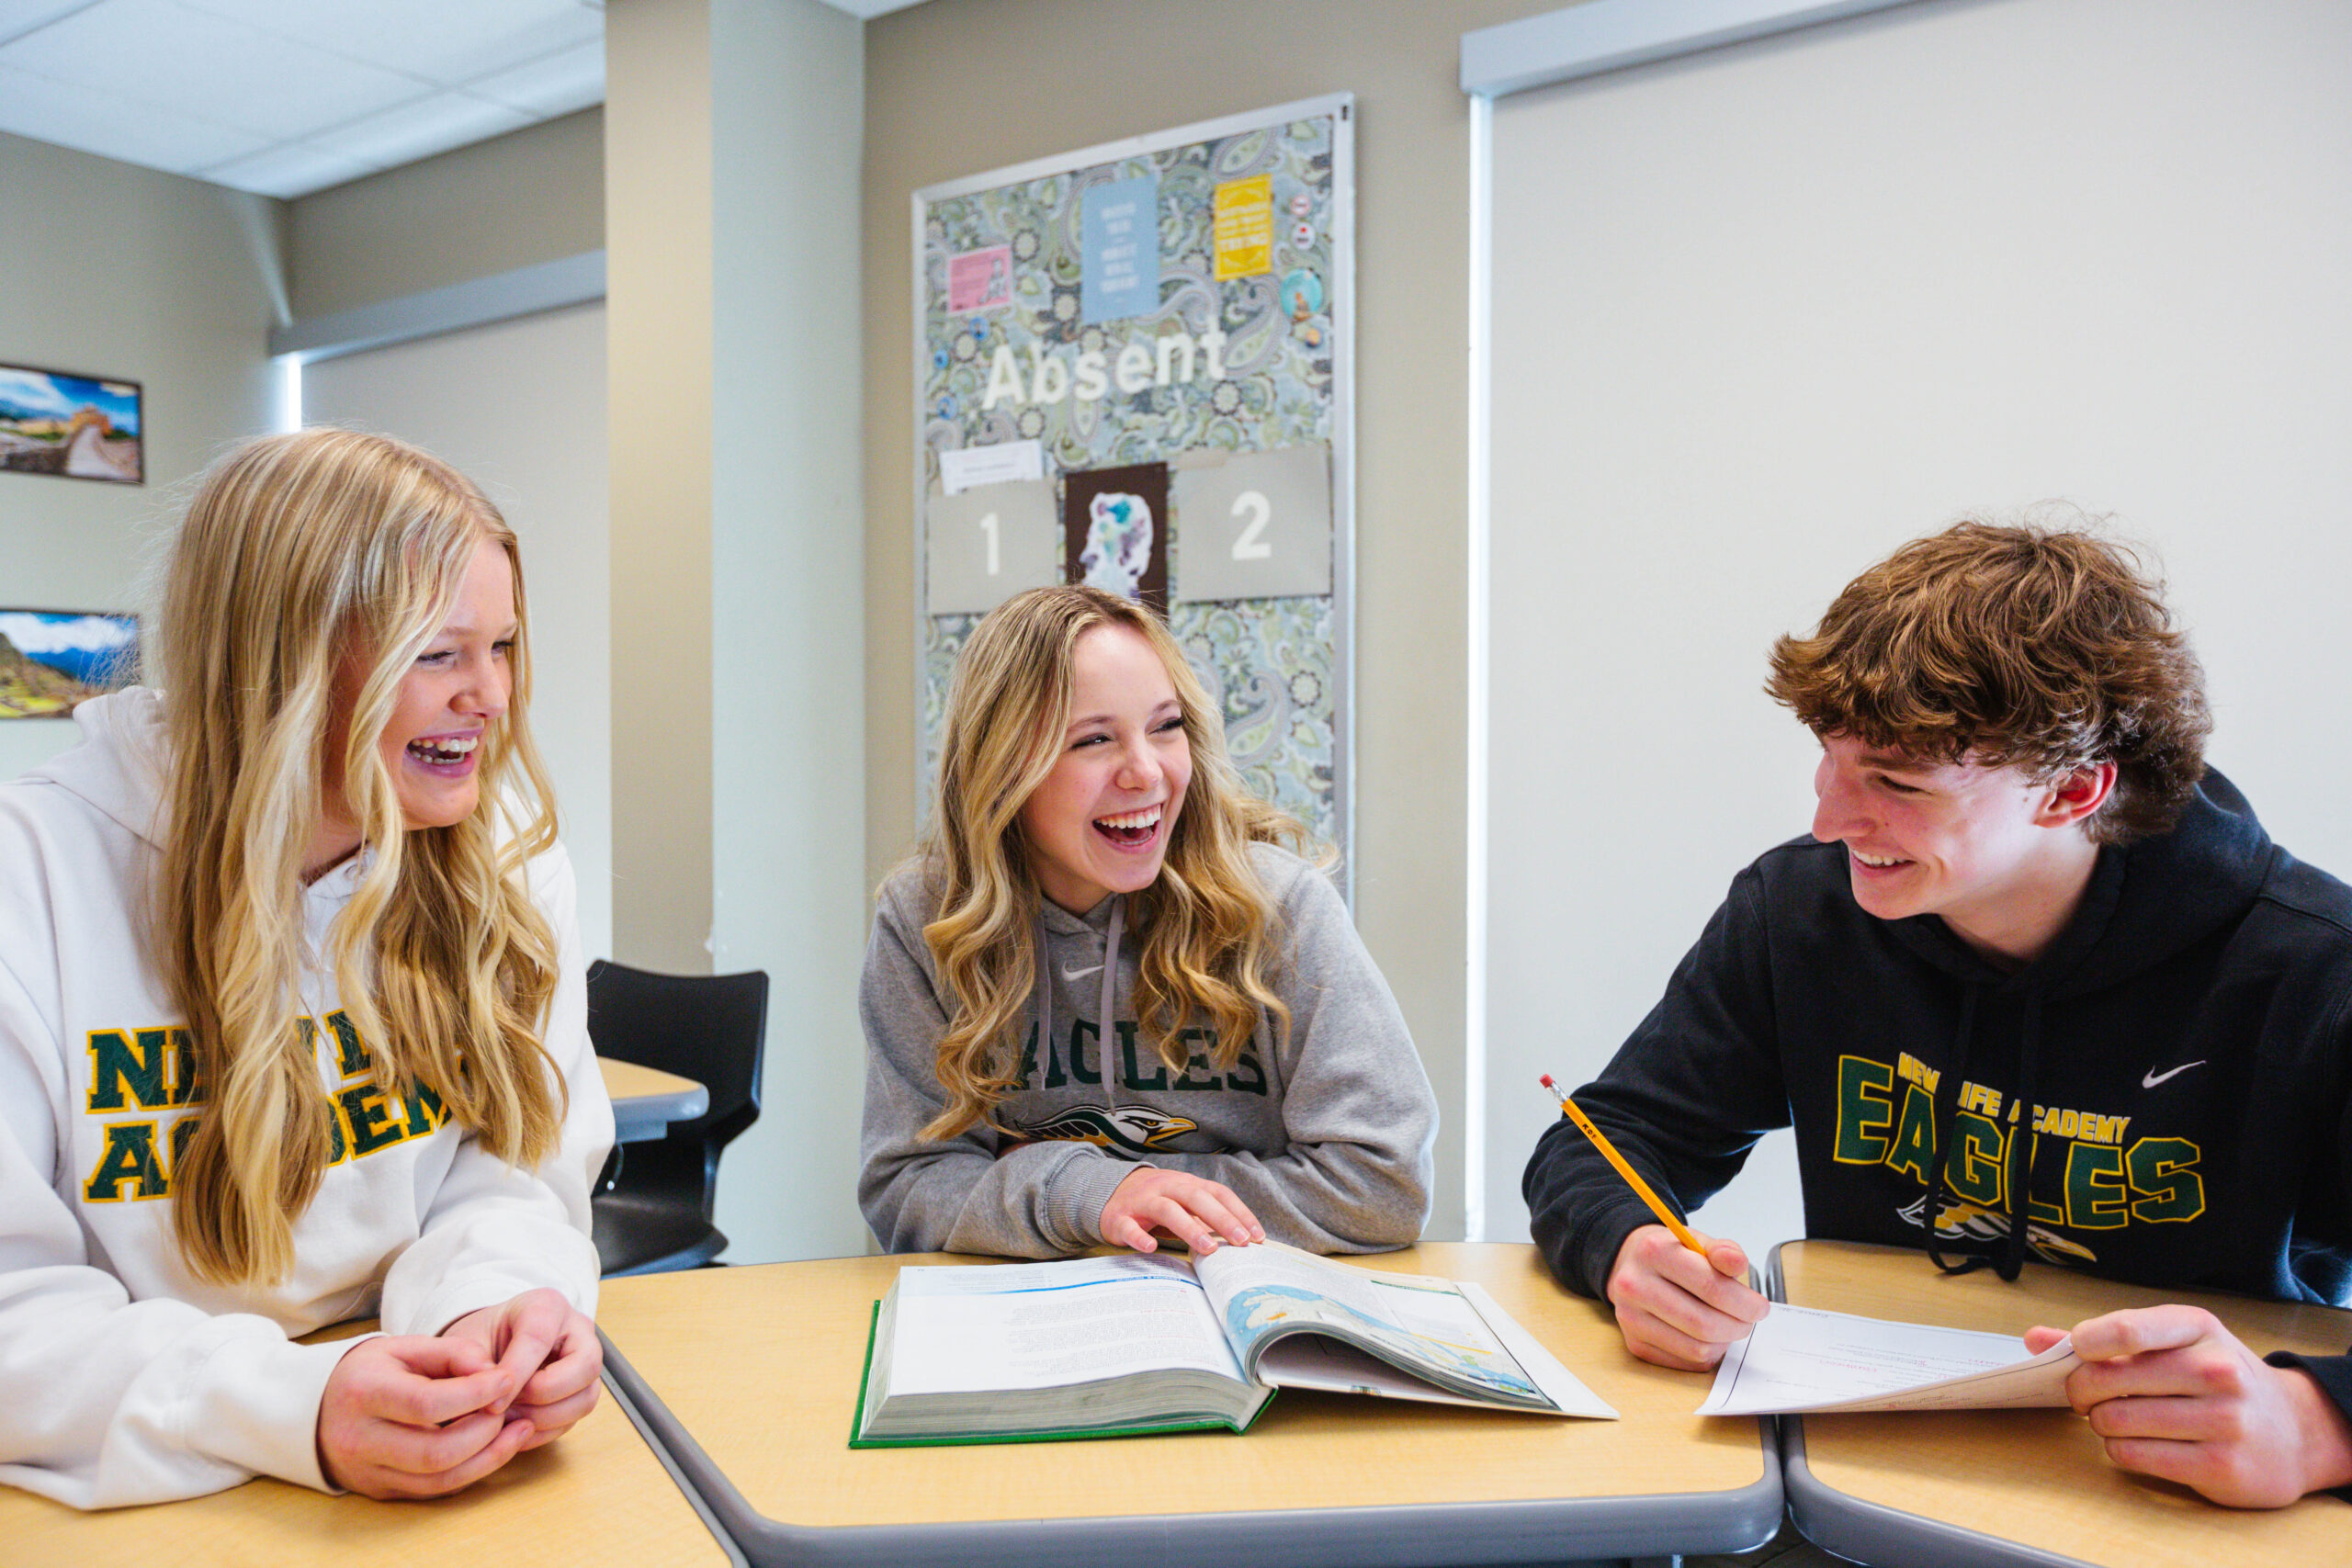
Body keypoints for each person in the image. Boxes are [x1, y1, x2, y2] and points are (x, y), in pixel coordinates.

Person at [1523, 517, 2352, 1508]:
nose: (1830, 820)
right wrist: (1628, 1248)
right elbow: (1607, 1139)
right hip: (1867, 1478)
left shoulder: (2313, 972)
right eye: (1830, 761)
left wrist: (2318, 1425)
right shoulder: (1801, 912)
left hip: (2166, 1494)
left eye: (1897, 784)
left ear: (2073, 789)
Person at [0, 429, 613, 1510]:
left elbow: (509, 1172)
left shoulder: (507, 854)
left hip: (416, 1453)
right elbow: (15, 1315)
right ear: (277, 666)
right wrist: (290, 1406)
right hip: (147, 1479)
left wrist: (495, 1308)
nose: (493, 697)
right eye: (438, 655)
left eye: (503, 647)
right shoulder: (32, 878)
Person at [861, 584, 1436, 1258]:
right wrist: (1089, 1194)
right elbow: (907, 1189)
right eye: (1094, 739)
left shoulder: (1282, 907)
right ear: (1002, 767)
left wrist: (1113, 1194)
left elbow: (1383, 1186)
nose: (1147, 772)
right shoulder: (926, 919)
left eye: (1166, 727)